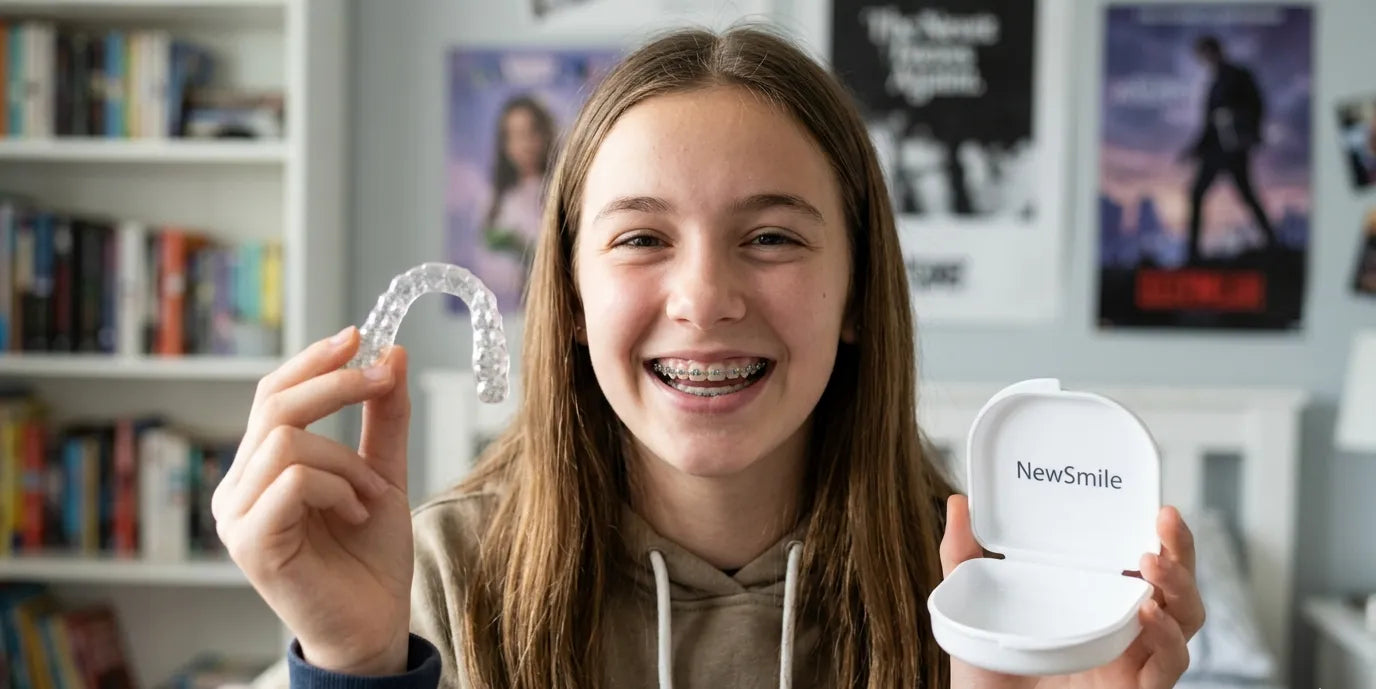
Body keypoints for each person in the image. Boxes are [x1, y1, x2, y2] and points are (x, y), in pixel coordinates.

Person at [213, 26, 1203, 689]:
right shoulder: (429, 582)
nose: (705, 298)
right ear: (570, 298)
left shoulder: (994, 600)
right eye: (641, 238)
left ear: (856, 289)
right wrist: (352, 663)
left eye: (771, 237)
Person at [1180, 35, 1277, 264]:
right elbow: (1209, 125)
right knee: (1198, 194)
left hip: (1234, 148)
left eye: (1206, 52)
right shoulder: (1213, 84)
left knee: (1246, 194)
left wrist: (1248, 133)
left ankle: (1272, 241)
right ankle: (1193, 253)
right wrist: (1194, 149)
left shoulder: (1238, 75)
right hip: (1215, 151)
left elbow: (1256, 105)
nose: (1205, 58)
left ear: (1215, 50)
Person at [480, 95, 557, 299]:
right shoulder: (499, 199)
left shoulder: (558, 191)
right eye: (514, 135)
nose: (525, 144)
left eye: (531, 132)